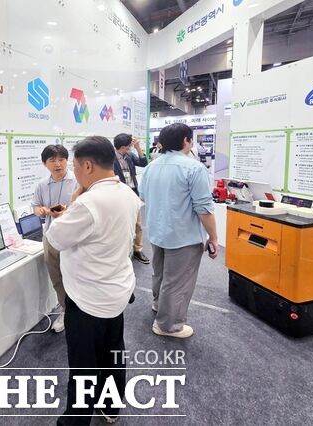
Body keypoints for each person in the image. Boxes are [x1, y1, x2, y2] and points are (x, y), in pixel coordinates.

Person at [46, 136, 142, 425]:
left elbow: (55, 238)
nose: (73, 172)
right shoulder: (127, 193)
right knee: (113, 353)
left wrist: (75, 199)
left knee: (83, 366)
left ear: (87, 166)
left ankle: (75, 422)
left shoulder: (88, 203)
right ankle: (110, 407)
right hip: (116, 290)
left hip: (88, 299)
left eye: (74, 166)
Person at [139, 123, 218, 339]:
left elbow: (143, 196)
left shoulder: (151, 167)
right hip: (183, 236)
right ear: (186, 140)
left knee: (160, 273)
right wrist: (213, 237)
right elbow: (204, 208)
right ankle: (168, 325)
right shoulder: (194, 168)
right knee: (178, 282)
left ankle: (159, 305)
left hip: (157, 232)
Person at [32, 144, 78, 332]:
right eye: (52, 160)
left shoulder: (77, 182)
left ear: (67, 161)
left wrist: (67, 212)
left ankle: (80, 311)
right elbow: (35, 207)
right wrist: (41, 211)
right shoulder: (42, 185)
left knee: (75, 275)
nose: (58, 164)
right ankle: (65, 310)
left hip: (73, 238)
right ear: (45, 163)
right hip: (50, 236)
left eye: (61, 159)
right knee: (57, 277)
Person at [112, 133, 150, 264]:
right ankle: (122, 251)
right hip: (118, 194)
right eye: (126, 147)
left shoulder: (130, 156)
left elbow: (144, 163)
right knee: (120, 223)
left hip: (133, 192)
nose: (128, 149)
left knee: (138, 223)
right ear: (120, 147)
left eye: (129, 147)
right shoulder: (110, 158)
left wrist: (138, 147)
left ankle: (138, 249)